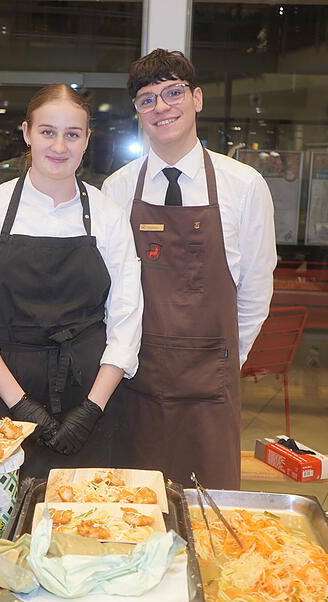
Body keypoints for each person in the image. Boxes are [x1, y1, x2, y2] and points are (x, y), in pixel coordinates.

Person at [102, 50, 276, 489]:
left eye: (173, 92)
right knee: (137, 513)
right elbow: (112, 293)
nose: (161, 107)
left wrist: (224, 364)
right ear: (137, 113)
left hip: (211, 388)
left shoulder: (244, 185)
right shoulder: (118, 188)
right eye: (147, 99)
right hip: (137, 380)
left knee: (208, 516)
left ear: (197, 98)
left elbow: (255, 289)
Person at [0, 84, 142, 477]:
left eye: (72, 134)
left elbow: (126, 321)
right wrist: (20, 406)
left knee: (88, 520)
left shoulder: (108, 215)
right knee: (2, 520)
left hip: (92, 392)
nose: (59, 146)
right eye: (47, 132)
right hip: (7, 391)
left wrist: (92, 409)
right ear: (26, 133)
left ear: (87, 140)